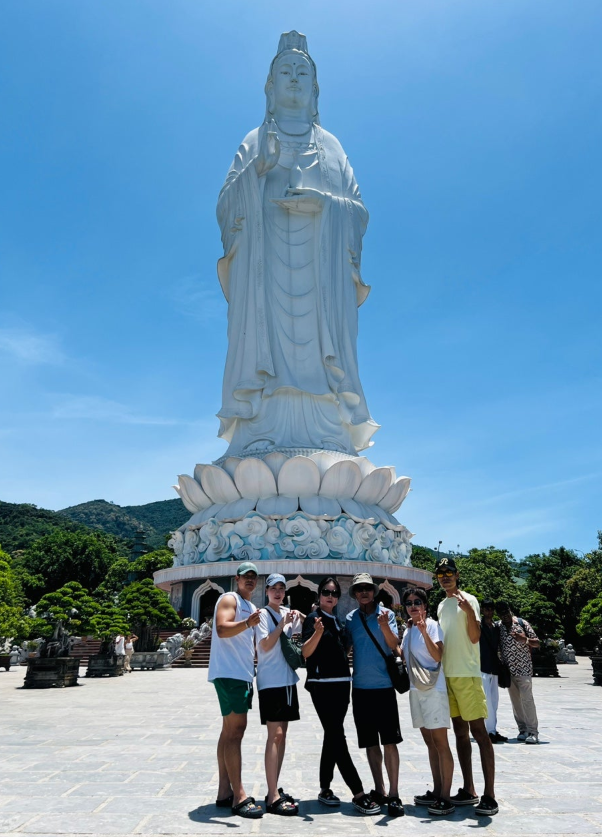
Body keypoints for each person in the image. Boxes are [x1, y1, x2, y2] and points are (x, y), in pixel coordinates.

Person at [216, 30, 378, 457]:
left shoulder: (331, 147)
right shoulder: (254, 141)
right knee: (264, 348)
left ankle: (329, 433)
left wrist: (325, 205)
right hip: (265, 271)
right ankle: (260, 431)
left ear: (314, 88)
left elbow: (358, 211)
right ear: (270, 87)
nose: (293, 78)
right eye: (284, 71)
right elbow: (224, 207)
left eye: (301, 72)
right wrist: (256, 171)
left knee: (323, 359)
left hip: (321, 277)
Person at [302, 577, 379, 815]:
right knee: (337, 735)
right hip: (321, 685)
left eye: (334, 593)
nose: (330, 596)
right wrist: (316, 633)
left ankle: (325, 788)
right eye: (326, 591)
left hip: (342, 684)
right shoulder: (312, 619)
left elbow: (342, 650)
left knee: (331, 735)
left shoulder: (337, 621)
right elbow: (306, 652)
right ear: (319, 594)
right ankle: (358, 792)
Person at [435, 556, 498, 817]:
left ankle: (490, 795)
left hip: (468, 675)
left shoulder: (469, 600)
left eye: (449, 572)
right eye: (440, 574)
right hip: (448, 675)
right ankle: (469, 788)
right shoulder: (440, 606)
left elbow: (474, 637)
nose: (445, 576)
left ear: (457, 574)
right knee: (460, 733)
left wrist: (471, 613)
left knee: (480, 733)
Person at [346, 572, 404, 817]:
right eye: (359, 589)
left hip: (383, 686)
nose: (364, 592)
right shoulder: (350, 618)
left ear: (375, 591)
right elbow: (345, 646)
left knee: (389, 741)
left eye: (367, 588)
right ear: (355, 594)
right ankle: (379, 788)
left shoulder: (386, 614)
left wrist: (383, 626)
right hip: (360, 688)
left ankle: (394, 793)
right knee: (370, 743)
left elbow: (394, 645)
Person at [207, 562, 263, 819]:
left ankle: (223, 791)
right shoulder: (229, 599)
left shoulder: (250, 606)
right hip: (230, 674)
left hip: (241, 674)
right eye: (245, 576)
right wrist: (247, 624)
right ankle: (239, 795)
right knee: (236, 732)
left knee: (228, 731)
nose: (250, 580)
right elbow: (221, 628)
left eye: (253, 577)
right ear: (237, 578)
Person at [401, 587, 455, 817]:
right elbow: (403, 655)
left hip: (434, 689)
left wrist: (424, 632)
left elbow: (437, 655)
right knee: (430, 741)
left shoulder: (432, 626)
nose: (413, 606)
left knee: (441, 741)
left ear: (425, 606)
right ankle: (436, 789)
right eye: (409, 603)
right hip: (416, 689)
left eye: (417, 602)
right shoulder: (408, 630)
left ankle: (446, 796)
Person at [254, 573, 304, 816]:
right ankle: (273, 797)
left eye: (282, 589)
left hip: (287, 681)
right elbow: (264, 645)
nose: (278, 592)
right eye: (274, 588)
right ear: (266, 591)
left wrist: (296, 615)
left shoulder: (286, 612)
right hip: (271, 681)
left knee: (282, 735)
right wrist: (282, 623)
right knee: (275, 736)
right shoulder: (263, 615)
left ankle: (273, 788)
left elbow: (303, 627)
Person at [496, 602, 540, 744]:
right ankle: (522, 729)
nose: (505, 616)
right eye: (502, 614)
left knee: (527, 700)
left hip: (524, 669)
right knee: (516, 702)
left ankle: (533, 732)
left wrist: (525, 639)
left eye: (507, 612)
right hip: (508, 671)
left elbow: (537, 643)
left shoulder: (522, 623)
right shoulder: (499, 627)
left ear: (510, 611)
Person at [479, 600, 506, 744]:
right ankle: (487, 731)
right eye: (487, 608)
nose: (489, 611)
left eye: (491, 609)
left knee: (494, 701)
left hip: (493, 666)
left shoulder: (496, 627)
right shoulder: (478, 625)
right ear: (482, 609)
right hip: (482, 666)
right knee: (486, 700)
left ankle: (493, 729)